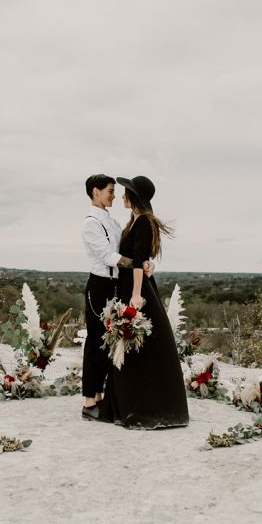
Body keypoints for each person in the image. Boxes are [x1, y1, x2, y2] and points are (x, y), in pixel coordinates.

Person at [94, 175, 189, 429]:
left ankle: (146, 406)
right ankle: (124, 403)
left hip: (135, 287)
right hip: (127, 285)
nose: (122, 196)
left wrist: (136, 294)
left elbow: (138, 260)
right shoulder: (134, 220)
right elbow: (138, 258)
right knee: (129, 346)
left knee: (140, 346)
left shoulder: (145, 222)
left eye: (126, 192)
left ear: (135, 197)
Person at [80, 174, 153, 421]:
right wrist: (138, 264)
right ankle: (89, 401)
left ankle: (101, 396)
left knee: (107, 342)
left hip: (115, 286)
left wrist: (144, 263)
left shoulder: (110, 221)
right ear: (95, 192)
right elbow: (108, 256)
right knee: (94, 342)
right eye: (110, 191)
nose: (113, 194)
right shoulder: (91, 223)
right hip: (99, 286)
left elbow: (126, 249)